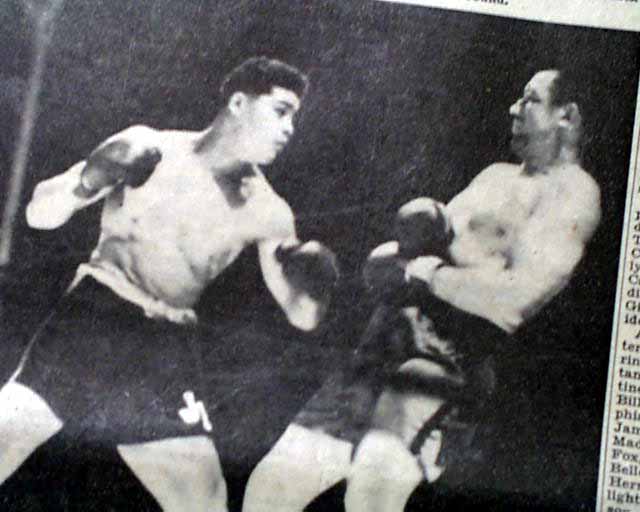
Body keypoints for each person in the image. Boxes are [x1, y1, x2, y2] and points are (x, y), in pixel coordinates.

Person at [242, 68, 601, 512]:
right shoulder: (494, 176)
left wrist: (422, 272)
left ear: (565, 115)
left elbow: (516, 300)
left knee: (369, 501)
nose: (514, 108)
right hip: (380, 347)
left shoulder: (573, 193)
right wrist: (390, 260)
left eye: (530, 99)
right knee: (268, 492)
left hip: (442, 365)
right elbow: (416, 251)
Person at [0, 56, 339, 512]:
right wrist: (86, 181)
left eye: (295, 117)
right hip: (92, 318)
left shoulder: (269, 212)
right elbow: (39, 215)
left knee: (203, 501)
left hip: (163, 347)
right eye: (281, 110)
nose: (290, 129)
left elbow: (304, 316)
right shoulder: (149, 148)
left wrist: (315, 279)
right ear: (239, 102)